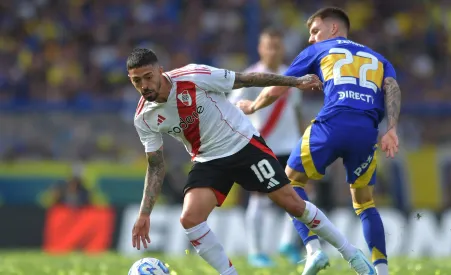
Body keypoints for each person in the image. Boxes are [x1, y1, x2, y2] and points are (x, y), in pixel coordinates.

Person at [128, 48, 375, 275]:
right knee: (190, 218)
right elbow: (157, 165)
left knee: (293, 204)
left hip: (243, 144)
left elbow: (246, 79)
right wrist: (144, 213)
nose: (144, 85)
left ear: (160, 70)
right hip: (208, 159)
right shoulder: (144, 117)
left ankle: (352, 255)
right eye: (136, 81)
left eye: (148, 76)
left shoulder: (193, 76)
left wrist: (294, 82)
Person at [236, 7, 401, 275]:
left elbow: (281, 85)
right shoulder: (379, 58)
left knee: (290, 182)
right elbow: (392, 88)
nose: (312, 38)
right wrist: (391, 128)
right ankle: (381, 271)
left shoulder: (318, 50)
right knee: (364, 202)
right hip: (366, 130)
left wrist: (254, 106)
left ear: (333, 28)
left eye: (315, 31)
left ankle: (313, 250)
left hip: (333, 123)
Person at [227, 28, 313, 267]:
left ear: (283, 48)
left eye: (277, 46)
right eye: (269, 46)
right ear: (260, 48)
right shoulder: (251, 77)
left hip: (291, 144)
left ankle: (287, 243)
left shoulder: (291, 75)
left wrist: (304, 139)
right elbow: (234, 110)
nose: (273, 51)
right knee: (260, 198)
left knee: (300, 194)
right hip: (263, 145)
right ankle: (256, 252)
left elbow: (295, 110)